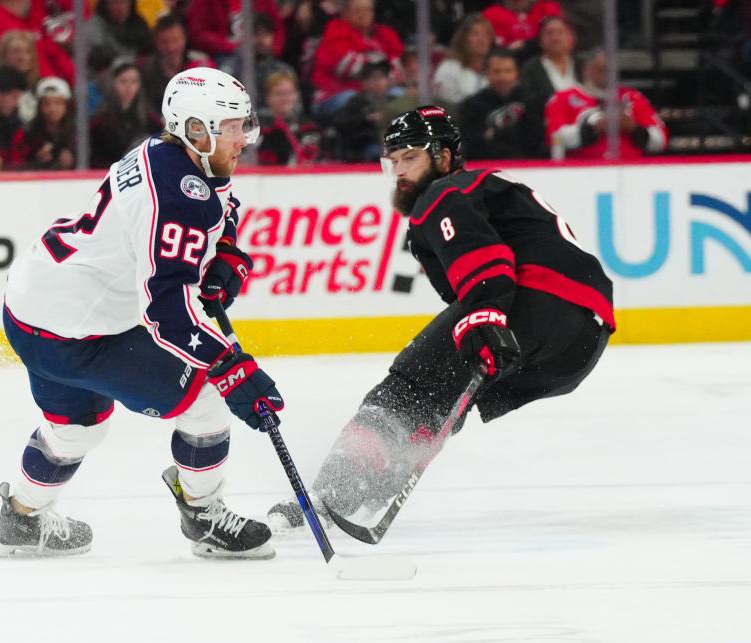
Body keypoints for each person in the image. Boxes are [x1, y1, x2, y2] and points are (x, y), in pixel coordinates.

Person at [268, 105, 613, 529]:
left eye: (410, 157)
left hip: (533, 298)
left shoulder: (443, 193)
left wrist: (484, 314)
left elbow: (487, 264)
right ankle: (369, 487)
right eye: (393, 162)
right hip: (581, 342)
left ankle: (331, 492)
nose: (399, 171)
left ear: (444, 156)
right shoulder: (486, 189)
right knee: (439, 395)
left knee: (408, 386)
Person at [0, 67, 284, 560]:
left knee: (77, 425)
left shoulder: (166, 152)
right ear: (196, 129)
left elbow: (218, 202)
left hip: (29, 309)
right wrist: (232, 367)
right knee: (209, 396)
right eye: (232, 126)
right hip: (82, 332)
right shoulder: (174, 196)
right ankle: (204, 514)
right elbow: (168, 313)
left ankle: (21, 517)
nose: (243, 137)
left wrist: (226, 250)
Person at [544, 49, 668, 160]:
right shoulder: (563, 98)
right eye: (602, 70)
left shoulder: (633, 98)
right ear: (586, 70)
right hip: (583, 171)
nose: (608, 75)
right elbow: (554, 139)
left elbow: (661, 141)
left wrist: (634, 129)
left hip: (631, 170)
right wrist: (592, 128)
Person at [309, 0, 403, 119]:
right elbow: (348, 67)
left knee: (400, 95)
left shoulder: (385, 34)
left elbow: (397, 71)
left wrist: (375, 71)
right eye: (357, 10)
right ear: (345, 13)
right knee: (353, 100)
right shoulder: (335, 31)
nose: (364, 14)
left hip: (376, 94)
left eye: (368, 9)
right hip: (334, 94)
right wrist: (380, 70)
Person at [459, 48, 543, 159]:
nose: (502, 77)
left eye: (508, 71)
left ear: (516, 73)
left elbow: (534, 139)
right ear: (487, 73)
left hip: (526, 166)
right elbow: (471, 142)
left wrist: (493, 135)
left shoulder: (531, 101)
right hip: (485, 166)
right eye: (496, 71)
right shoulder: (472, 105)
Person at [89, 60, 161, 168]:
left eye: (134, 81)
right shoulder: (99, 121)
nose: (128, 87)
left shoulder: (150, 119)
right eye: (123, 81)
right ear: (113, 83)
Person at [256, 70, 320, 166]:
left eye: (289, 93)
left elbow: (308, 160)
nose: (284, 98)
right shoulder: (258, 129)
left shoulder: (308, 127)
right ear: (268, 97)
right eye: (278, 94)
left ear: (296, 96)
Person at [13, 76, 76, 170]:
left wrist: (73, 162)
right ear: (39, 107)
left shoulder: (78, 134)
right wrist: (36, 162)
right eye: (46, 103)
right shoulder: (27, 134)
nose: (52, 109)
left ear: (67, 106)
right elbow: (16, 166)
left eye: (58, 103)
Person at [431, 13, 493, 108]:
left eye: (486, 34)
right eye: (475, 34)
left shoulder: (495, 69)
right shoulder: (448, 69)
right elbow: (445, 106)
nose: (481, 39)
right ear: (463, 39)